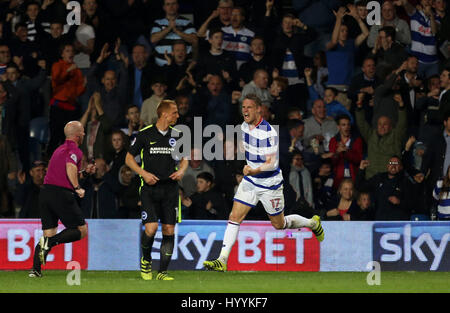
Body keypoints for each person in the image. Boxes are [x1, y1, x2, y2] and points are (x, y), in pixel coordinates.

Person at [203, 94, 324, 273]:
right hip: (251, 182)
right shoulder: (244, 126)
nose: (245, 110)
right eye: (243, 107)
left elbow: (272, 164)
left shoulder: (268, 132)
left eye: (249, 107)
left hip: (270, 184)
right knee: (234, 217)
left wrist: (253, 170)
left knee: (279, 224)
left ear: (259, 109)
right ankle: (222, 260)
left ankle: (313, 223)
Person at [125, 99, 188, 281]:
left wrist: (182, 170)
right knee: (151, 228)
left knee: (169, 229)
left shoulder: (177, 135)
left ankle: (162, 272)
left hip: (170, 189)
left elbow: (185, 158)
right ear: (164, 114)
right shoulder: (145, 134)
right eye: (175, 112)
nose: (178, 115)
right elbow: (129, 159)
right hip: (149, 189)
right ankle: (146, 261)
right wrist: (143, 173)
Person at [29, 121, 96, 278]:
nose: (84, 135)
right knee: (81, 230)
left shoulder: (58, 149)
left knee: (49, 233)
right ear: (78, 136)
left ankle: (35, 270)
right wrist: (77, 187)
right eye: (83, 133)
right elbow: (70, 168)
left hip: (45, 193)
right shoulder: (75, 150)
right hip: (61, 194)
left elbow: (67, 171)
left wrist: (85, 173)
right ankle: (51, 243)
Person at [356, 156, 413, 220]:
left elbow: (412, 204)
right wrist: (361, 169)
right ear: (387, 166)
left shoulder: (406, 182)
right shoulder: (379, 178)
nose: (393, 165)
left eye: (396, 163)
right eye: (391, 163)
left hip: (397, 222)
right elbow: (360, 186)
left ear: (401, 167)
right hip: (379, 221)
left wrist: (399, 202)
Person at [150, 0, 198, 67]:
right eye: (168, 4)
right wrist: (169, 28)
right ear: (164, 7)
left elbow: (194, 40)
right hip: (161, 66)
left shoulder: (187, 22)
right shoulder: (158, 22)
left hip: (183, 66)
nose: (171, 6)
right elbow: (153, 39)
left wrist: (176, 31)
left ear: (177, 6)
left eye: (173, 4)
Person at [328, 114, 363, 189]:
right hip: (338, 179)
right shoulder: (333, 141)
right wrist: (337, 152)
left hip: (353, 178)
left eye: (348, 125)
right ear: (338, 127)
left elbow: (358, 159)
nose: (346, 127)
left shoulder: (357, 140)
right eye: (343, 125)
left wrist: (346, 151)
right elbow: (332, 162)